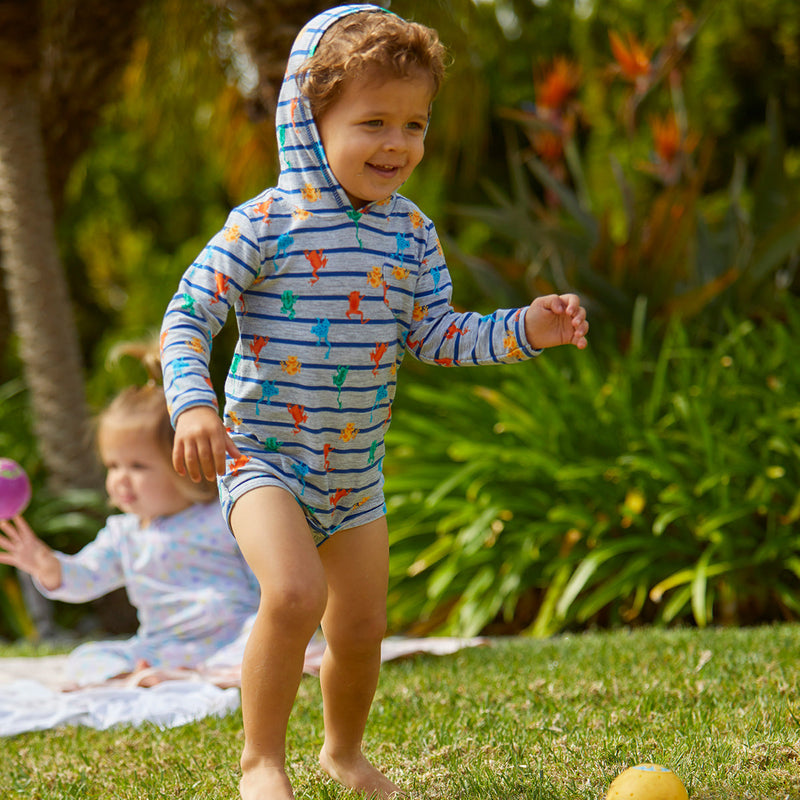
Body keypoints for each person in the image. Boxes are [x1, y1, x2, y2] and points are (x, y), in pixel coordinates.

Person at [159, 5, 589, 799]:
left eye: (414, 124)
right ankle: (261, 762)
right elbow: (188, 316)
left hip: (355, 476)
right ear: (307, 119)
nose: (397, 144)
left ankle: (343, 753)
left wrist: (526, 327)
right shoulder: (265, 223)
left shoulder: (412, 235)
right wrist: (193, 407)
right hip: (265, 457)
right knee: (293, 595)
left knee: (359, 632)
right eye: (373, 122)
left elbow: (436, 334)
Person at [0, 348, 260, 688]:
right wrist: (49, 567)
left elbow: (264, 579)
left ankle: (197, 675)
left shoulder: (222, 517)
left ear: (188, 465)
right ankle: (159, 676)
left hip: (232, 636)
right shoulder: (122, 534)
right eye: (113, 465)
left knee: (265, 643)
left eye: (137, 466)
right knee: (87, 657)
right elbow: (88, 576)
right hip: (162, 646)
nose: (120, 478)